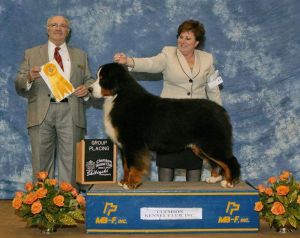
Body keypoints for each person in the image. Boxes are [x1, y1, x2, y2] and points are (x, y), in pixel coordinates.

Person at [113, 19, 223, 182]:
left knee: (194, 167)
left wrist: (218, 115)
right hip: (169, 119)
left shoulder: (207, 59)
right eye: (180, 36)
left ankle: (193, 202)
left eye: (188, 38)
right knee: (167, 166)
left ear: (197, 42)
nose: (182, 41)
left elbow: (213, 89)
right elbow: (151, 63)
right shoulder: (168, 54)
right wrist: (129, 61)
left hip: (195, 120)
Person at [15, 15, 95, 188]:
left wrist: (87, 89)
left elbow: (90, 81)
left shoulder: (81, 55)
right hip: (41, 112)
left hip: (71, 111)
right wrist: (29, 76)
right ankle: (43, 207)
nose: (58, 28)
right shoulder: (31, 53)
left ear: (68, 30)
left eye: (63, 26)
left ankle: (67, 206)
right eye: (54, 25)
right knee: (40, 163)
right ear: (47, 29)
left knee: (71, 162)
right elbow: (19, 83)